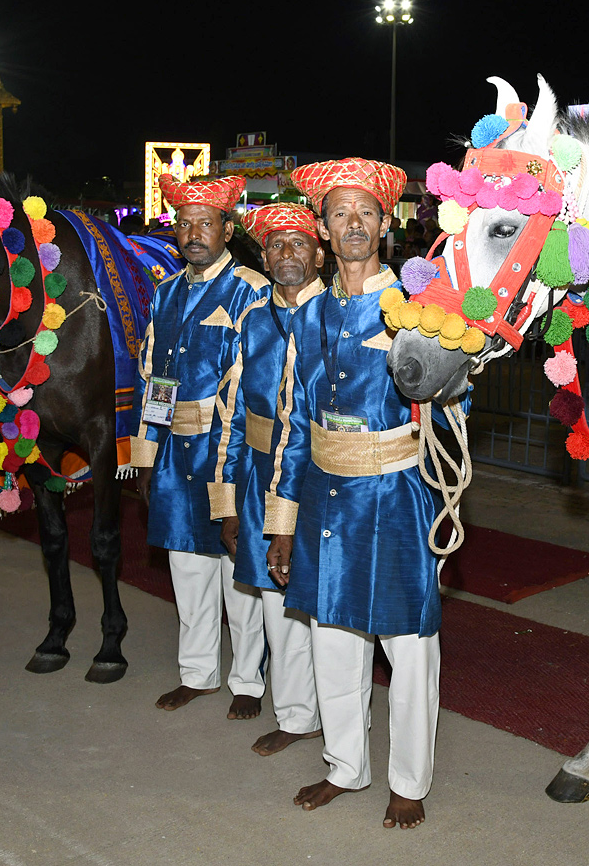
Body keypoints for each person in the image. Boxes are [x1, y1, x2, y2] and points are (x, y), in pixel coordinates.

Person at [265, 157, 442, 829]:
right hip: (324, 498)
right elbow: (291, 422)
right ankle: (345, 765)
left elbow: (453, 397)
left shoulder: (414, 308)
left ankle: (408, 780)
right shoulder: (307, 316)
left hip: (398, 496)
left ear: (386, 223)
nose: (355, 224)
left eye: (367, 212)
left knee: (409, 645)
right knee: (331, 637)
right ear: (323, 228)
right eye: (341, 213)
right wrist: (282, 521)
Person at [132, 173, 270, 718]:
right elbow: (152, 380)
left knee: (239, 577)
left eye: (205, 224)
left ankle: (247, 683)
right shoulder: (164, 293)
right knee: (187, 571)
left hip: (227, 453)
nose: (193, 233)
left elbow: (251, 387)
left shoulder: (251, 289)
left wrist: (236, 467)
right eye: (184, 223)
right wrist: (145, 457)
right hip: (172, 455)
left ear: (227, 230)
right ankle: (197, 673)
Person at [210, 202, 326, 755]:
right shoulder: (253, 318)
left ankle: (314, 714)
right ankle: (296, 711)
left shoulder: (336, 314)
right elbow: (231, 414)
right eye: (276, 244)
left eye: (298, 243)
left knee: (313, 603)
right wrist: (227, 500)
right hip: (258, 477)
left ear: (319, 253)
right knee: (275, 599)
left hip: (320, 479)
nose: (286, 254)